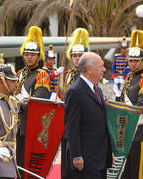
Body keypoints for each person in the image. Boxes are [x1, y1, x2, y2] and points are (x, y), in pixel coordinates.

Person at [64, 52, 113, 179]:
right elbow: (71, 126)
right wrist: (76, 155)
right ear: (90, 69)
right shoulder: (75, 91)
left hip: (100, 159)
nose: (104, 69)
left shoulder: (98, 89)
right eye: (101, 66)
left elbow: (101, 124)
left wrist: (109, 152)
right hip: (85, 160)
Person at [15, 26, 50, 177]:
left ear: (38, 57)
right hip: (18, 124)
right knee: (19, 163)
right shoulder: (19, 73)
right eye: (26, 54)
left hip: (33, 125)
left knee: (31, 165)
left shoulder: (42, 75)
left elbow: (39, 98)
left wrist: (24, 101)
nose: (29, 57)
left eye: (33, 55)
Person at [120, 30, 143, 179]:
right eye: (130, 60)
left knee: (138, 173)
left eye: (136, 61)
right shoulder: (128, 77)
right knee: (125, 172)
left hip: (140, 131)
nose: (132, 63)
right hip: (126, 131)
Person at [61, 28, 90, 179]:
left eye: (80, 55)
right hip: (66, 125)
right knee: (65, 168)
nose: (77, 58)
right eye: (74, 55)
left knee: (78, 168)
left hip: (81, 127)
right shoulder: (67, 75)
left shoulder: (90, 75)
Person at [111, 37, 129, 101]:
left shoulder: (128, 58)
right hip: (117, 76)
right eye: (122, 48)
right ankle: (117, 100)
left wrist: (125, 76)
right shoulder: (117, 57)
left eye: (125, 48)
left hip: (124, 77)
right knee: (116, 91)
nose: (123, 50)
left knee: (123, 91)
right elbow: (113, 67)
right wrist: (113, 75)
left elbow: (128, 68)